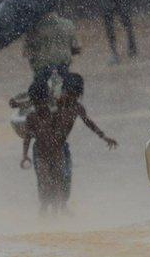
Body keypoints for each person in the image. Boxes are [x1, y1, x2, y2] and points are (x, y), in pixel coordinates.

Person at [19, 72, 117, 215]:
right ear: (63, 90)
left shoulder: (76, 108)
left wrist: (103, 136)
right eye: (69, 93)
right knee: (45, 181)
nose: (71, 97)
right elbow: (35, 103)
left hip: (60, 148)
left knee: (63, 179)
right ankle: (45, 207)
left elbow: (89, 123)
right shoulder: (51, 104)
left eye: (74, 95)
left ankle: (60, 207)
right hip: (42, 150)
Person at [23, 9, 80, 83]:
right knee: (66, 88)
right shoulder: (68, 24)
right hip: (63, 65)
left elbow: (27, 52)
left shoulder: (34, 27)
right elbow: (76, 47)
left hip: (42, 66)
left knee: (39, 90)